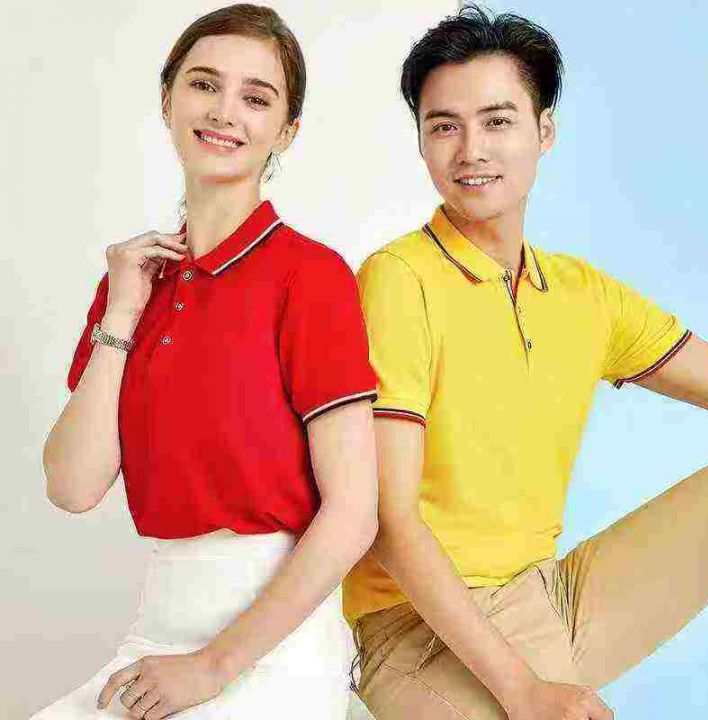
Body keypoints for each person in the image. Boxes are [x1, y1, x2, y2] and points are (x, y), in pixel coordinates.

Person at [344, 6, 708, 720]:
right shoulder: (397, 280)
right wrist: (522, 688)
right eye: (444, 126)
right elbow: (389, 521)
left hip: (552, 596)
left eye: (497, 121)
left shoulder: (584, 293)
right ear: (420, 141)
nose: (471, 151)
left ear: (544, 131)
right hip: (419, 628)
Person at [37, 4, 379, 719]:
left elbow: (353, 514)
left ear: (286, 131)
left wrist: (213, 666)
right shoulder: (130, 282)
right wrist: (121, 314)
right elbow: (72, 486)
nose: (224, 112)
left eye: (256, 98)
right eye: (203, 84)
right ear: (167, 102)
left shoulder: (310, 276)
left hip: (275, 645)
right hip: (157, 630)